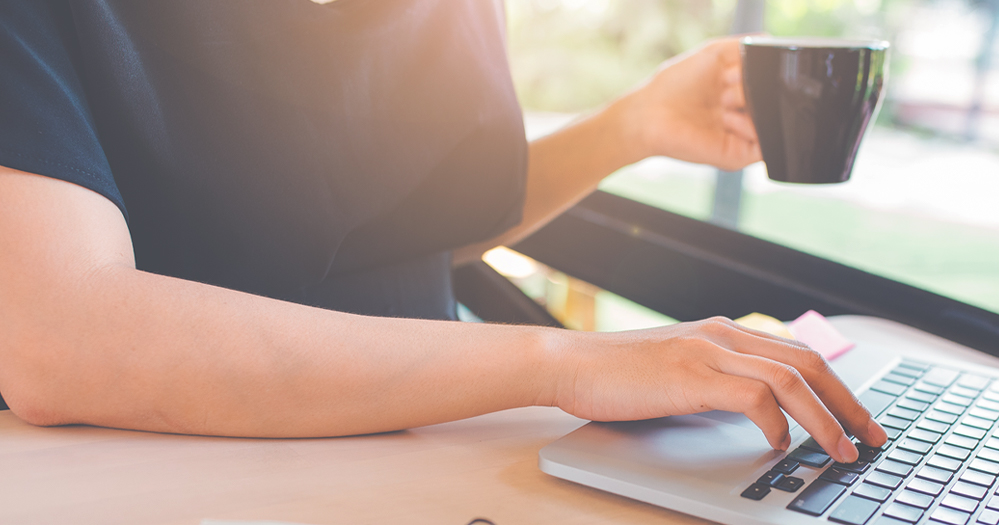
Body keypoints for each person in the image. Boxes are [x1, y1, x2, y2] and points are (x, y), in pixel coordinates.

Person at [0, 0, 885, 463]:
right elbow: (60, 340)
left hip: (433, 457)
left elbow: (406, 225)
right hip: (180, 478)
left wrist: (633, 127)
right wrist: (560, 363)